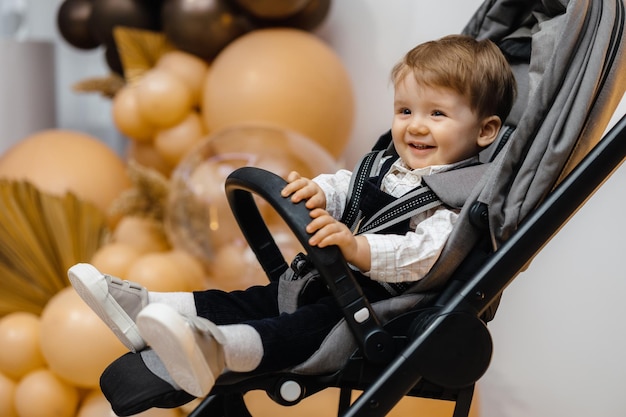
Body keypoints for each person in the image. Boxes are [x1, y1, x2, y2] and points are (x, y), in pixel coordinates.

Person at [68, 34, 516, 416]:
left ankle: (218, 350)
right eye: (404, 111)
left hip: (374, 310)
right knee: (255, 300)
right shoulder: (391, 164)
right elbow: (348, 184)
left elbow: (427, 254)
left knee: (296, 330)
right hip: (332, 282)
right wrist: (320, 193)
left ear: (485, 130)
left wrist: (359, 249)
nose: (415, 126)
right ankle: (147, 307)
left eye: (436, 114)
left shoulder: (457, 200)